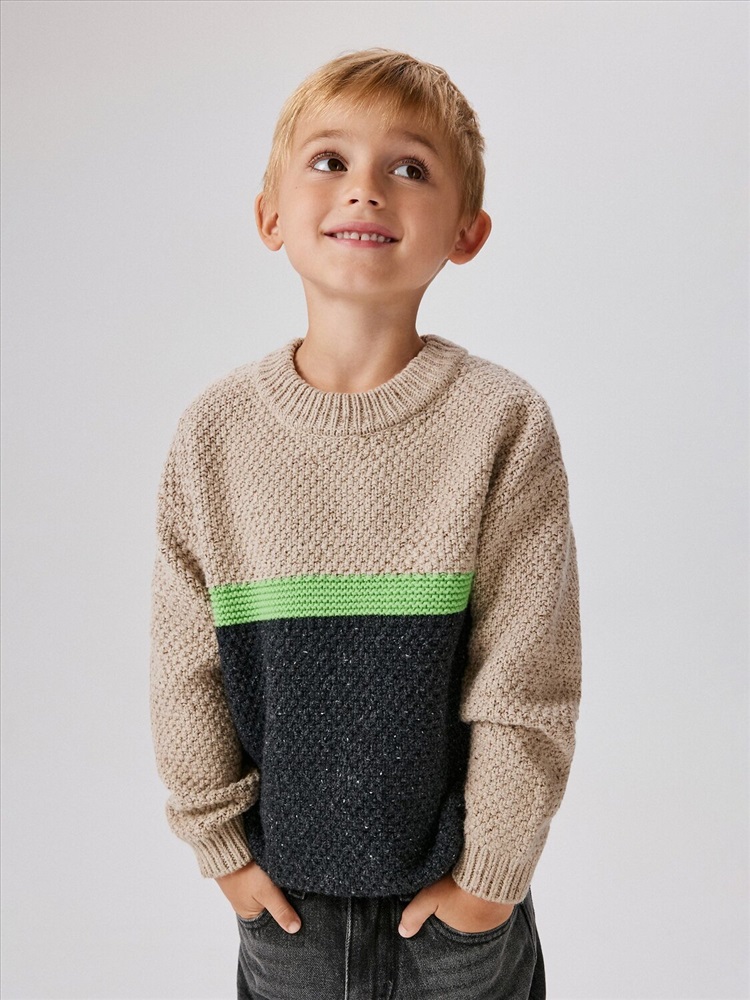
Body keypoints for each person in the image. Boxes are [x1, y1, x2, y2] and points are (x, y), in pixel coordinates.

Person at [150, 48, 581, 1000]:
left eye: (410, 167)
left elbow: (527, 674)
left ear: (466, 231)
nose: (366, 189)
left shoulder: (501, 422)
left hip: (459, 909)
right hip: (287, 909)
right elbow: (185, 666)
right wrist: (223, 852)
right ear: (270, 215)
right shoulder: (215, 433)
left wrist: (489, 881)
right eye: (329, 161)